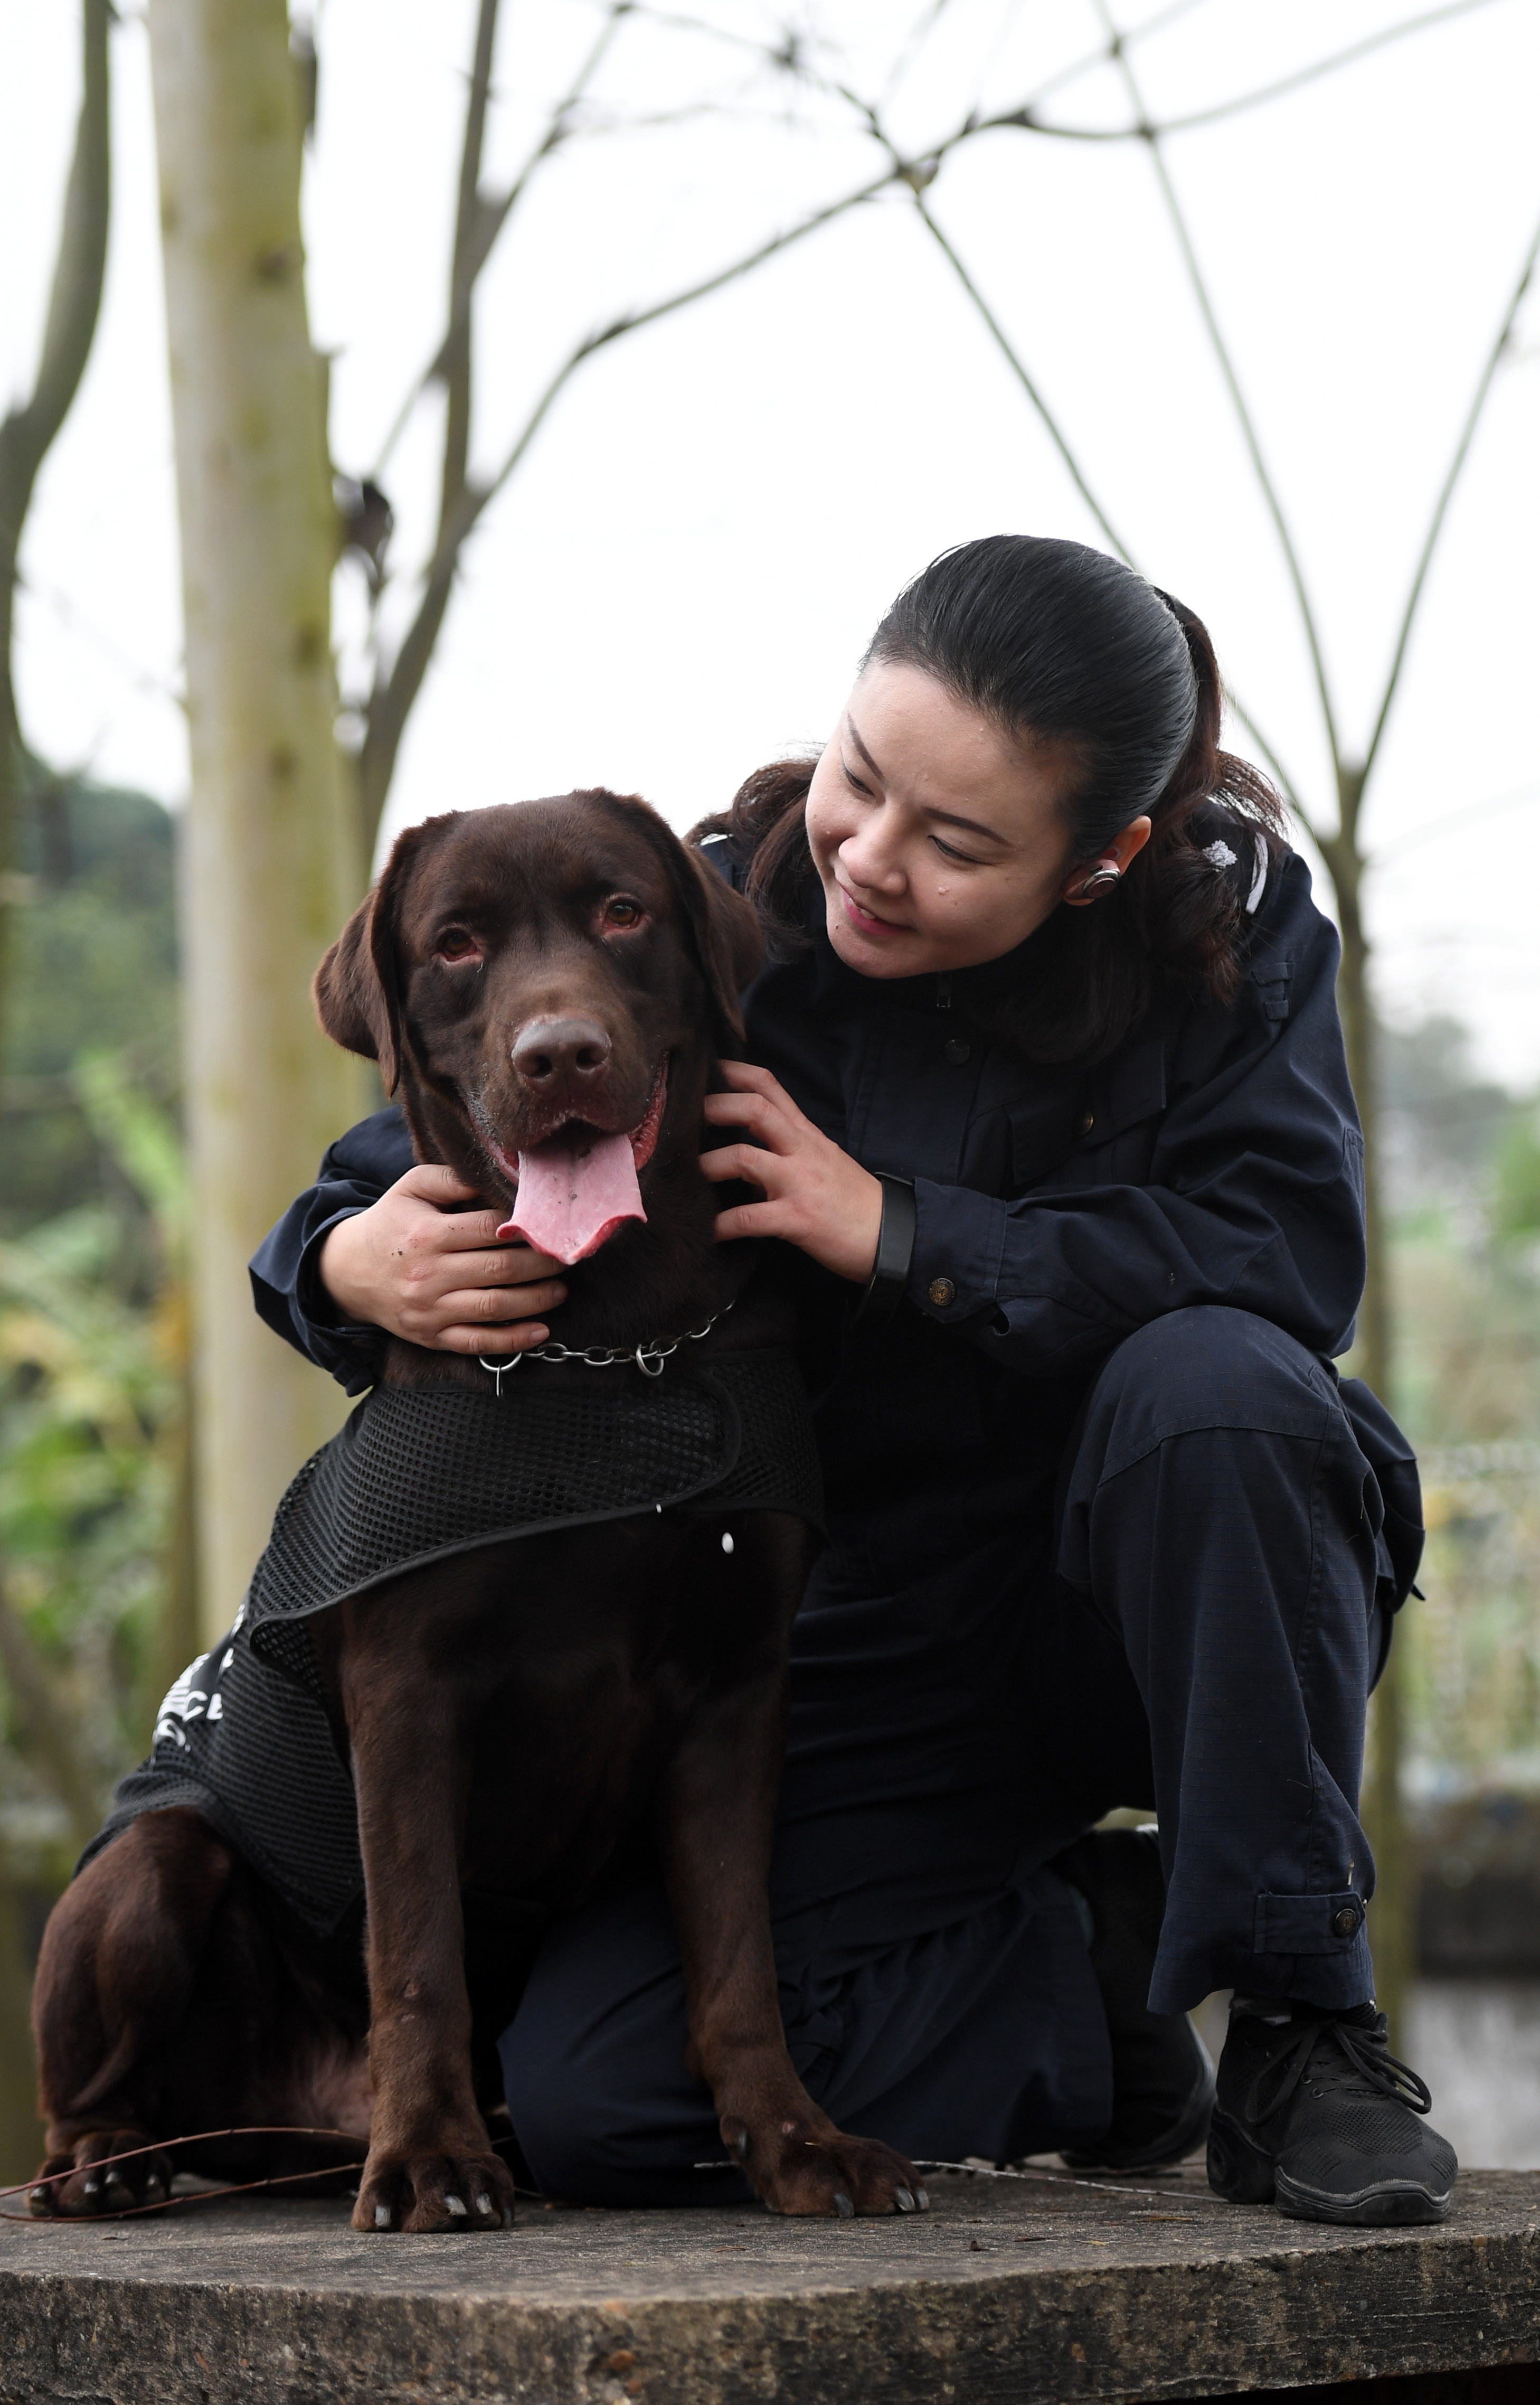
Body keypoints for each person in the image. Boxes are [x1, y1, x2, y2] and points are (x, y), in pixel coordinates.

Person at [252, 536, 1452, 2226]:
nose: (870, 860)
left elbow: (1287, 1260)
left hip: (1170, 1601)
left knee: (1225, 1387)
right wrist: (336, 1257)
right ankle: (1088, 1979)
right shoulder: (716, 905)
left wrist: (904, 1230)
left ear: (1100, 859)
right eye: (859, 777)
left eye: (955, 840)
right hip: (865, 1642)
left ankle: (1302, 2019)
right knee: (596, 2104)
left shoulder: (1228, 938)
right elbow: (438, 1117)